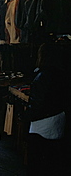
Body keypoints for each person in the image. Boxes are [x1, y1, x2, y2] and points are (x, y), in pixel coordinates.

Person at [23, 43, 68, 176]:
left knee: (37, 160)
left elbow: (37, 104)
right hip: (59, 119)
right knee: (52, 158)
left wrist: (26, 116)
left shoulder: (42, 76)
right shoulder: (62, 74)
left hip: (42, 124)